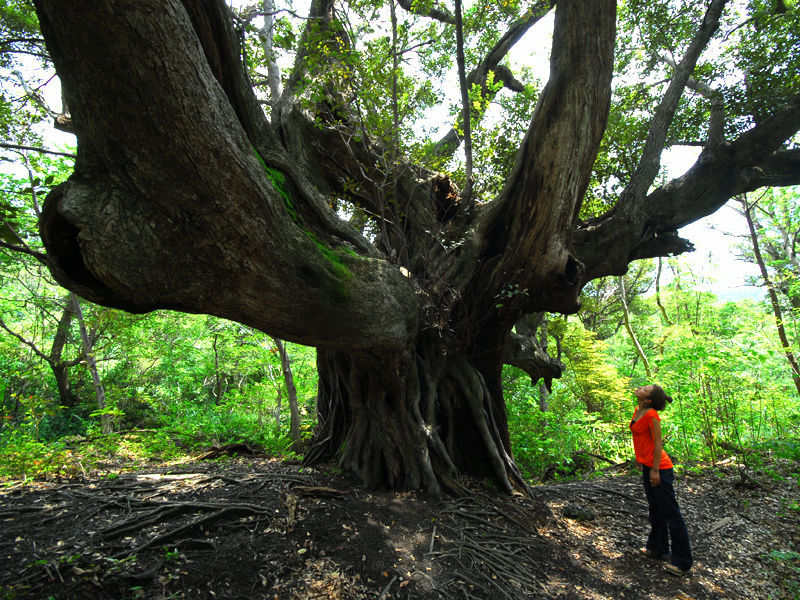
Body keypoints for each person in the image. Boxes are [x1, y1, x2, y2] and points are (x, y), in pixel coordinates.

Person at [630, 384, 693, 576]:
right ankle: (658, 548)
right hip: (648, 465)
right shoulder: (638, 410)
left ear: (648, 400)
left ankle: (682, 562)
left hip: (661, 468)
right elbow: (641, 440)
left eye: (645, 389)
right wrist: (640, 460)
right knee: (655, 509)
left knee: (671, 513)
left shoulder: (651, 415)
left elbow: (658, 443)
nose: (640, 387)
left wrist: (655, 470)